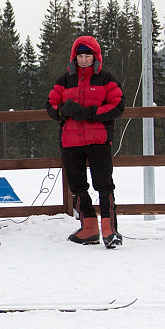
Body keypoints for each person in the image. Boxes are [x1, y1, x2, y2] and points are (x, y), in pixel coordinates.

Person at [46, 36, 125, 248]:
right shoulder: (64, 80)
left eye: (87, 56)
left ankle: (110, 229)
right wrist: (64, 111)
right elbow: (51, 105)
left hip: (98, 140)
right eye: (80, 56)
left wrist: (90, 113)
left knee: (104, 185)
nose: (83, 60)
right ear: (74, 57)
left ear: (95, 57)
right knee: (77, 186)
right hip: (71, 141)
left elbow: (117, 106)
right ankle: (89, 227)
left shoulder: (107, 79)